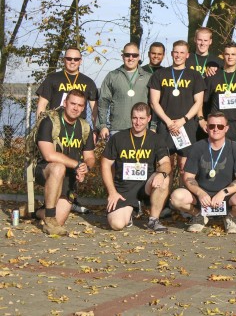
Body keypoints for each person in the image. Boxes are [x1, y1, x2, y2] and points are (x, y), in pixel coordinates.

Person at [169, 112, 236, 233]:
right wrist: (200, 193)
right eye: (212, 126)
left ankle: (230, 217)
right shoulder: (197, 147)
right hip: (201, 197)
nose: (216, 129)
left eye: (220, 126)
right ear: (207, 128)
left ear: (226, 128)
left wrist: (223, 193)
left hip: (226, 196)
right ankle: (199, 216)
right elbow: (188, 177)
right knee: (176, 197)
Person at [100, 103, 172, 232]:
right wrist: (112, 192)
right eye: (135, 118)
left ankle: (153, 220)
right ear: (131, 118)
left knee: (164, 179)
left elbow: (166, 164)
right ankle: (131, 212)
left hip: (146, 186)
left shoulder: (156, 139)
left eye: (142, 118)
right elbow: (105, 164)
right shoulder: (118, 138)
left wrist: (161, 174)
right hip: (124, 189)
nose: (138, 122)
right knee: (116, 224)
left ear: (149, 118)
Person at [34, 90, 96, 236]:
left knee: (60, 220)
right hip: (45, 170)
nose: (76, 108)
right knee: (58, 167)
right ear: (65, 103)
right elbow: (48, 155)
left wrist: (85, 167)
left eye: (80, 105)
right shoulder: (49, 121)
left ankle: (34, 211)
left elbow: (90, 157)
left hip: (69, 176)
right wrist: (76, 164)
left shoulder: (85, 126)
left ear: (83, 108)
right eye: (73, 103)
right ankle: (49, 218)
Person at [148, 40, 206, 176]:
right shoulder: (160, 74)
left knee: (184, 167)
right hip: (165, 126)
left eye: (182, 52)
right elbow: (154, 102)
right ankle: (165, 196)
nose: (178, 55)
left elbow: (198, 102)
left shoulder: (195, 75)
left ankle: (180, 197)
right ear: (171, 53)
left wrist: (183, 120)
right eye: (176, 52)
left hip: (186, 126)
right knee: (165, 167)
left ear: (187, 55)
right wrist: (168, 122)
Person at [203, 41, 236, 147]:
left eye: (233, 54)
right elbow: (202, 102)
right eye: (227, 54)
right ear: (223, 56)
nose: (230, 57)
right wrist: (202, 120)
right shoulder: (212, 76)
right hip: (218, 125)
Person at [98, 42, 153, 139]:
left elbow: (154, 104)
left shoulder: (148, 77)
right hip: (118, 129)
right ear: (122, 56)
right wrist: (103, 125)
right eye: (127, 55)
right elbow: (103, 102)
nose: (131, 58)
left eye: (134, 55)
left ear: (139, 57)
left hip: (142, 129)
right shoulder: (112, 76)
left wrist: (153, 126)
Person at [36, 47, 98, 123]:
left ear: (80, 61)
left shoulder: (88, 82)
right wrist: (39, 127)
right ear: (64, 60)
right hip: (56, 125)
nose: (72, 62)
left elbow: (94, 109)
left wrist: (95, 129)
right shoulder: (52, 78)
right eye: (69, 59)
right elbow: (42, 105)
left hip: (78, 127)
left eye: (76, 59)